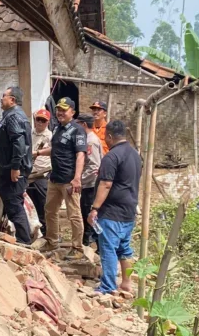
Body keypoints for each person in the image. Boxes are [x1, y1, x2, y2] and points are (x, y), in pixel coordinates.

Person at [88, 119, 142, 295]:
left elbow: (105, 184)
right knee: (124, 248)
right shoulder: (135, 154)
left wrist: (95, 208)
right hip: (129, 209)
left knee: (108, 248)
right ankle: (126, 283)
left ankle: (108, 286)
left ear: (109, 136)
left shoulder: (112, 156)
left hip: (112, 211)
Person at [0, 86, 33, 243]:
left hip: (12, 171)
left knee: (14, 204)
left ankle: (24, 241)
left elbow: (19, 143)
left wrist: (15, 167)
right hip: (7, 169)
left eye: (4, 96)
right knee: (13, 204)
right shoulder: (11, 116)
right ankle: (22, 238)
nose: (1, 98)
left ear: (12, 99)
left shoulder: (14, 117)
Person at [44, 98, 86, 252]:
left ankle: (77, 248)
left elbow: (80, 155)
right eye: (58, 110)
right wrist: (38, 153)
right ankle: (52, 242)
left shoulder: (77, 130)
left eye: (64, 110)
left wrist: (77, 178)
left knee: (74, 215)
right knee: (50, 211)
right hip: (54, 179)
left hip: (69, 181)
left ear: (73, 112)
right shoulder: (56, 128)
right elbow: (55, 149)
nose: (60, 113)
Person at [78, 114, 104, 248]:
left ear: (83, 125)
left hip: (91, 184)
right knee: (85, 213)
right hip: (88, 183)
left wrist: (79, 180)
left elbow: (94, 166)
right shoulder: (87, 139)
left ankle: (91, 244)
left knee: (89, 214)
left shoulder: (91, 141)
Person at [28, 108, 53, 232]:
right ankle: (34, 230)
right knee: (30, 204)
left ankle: (46, 231)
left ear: (47, 122)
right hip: (29, 174)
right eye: (38, 119)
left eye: (43, 120)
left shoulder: (50, 137)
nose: (40, 122)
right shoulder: (30, 134)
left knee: (43, 204)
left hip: (42, 174)